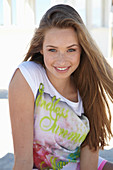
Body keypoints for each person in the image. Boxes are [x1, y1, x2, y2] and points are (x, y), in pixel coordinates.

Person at [8, 4, 113, 170]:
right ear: (41, 48)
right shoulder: (27, 77)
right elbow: (23, 162)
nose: (61, 60)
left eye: (71, 50)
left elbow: (89, 158)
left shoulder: (89, 86)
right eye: (52, 50)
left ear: (82, 50)